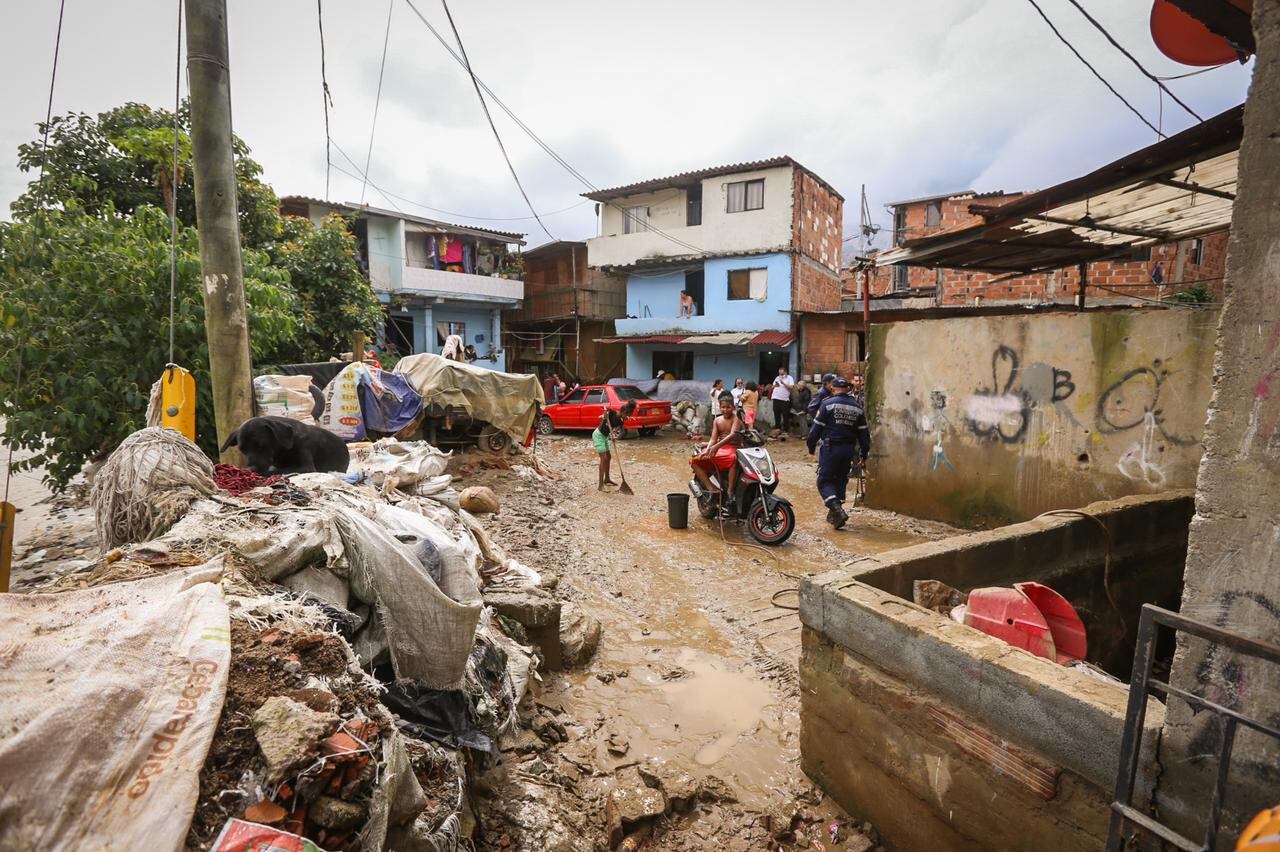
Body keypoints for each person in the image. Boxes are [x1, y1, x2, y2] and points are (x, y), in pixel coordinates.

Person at [807, 377, 871, 529]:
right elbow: (864, 434)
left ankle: (836, 508)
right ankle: (835, 514)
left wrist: (811, 445)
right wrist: (864, 454)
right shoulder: (857, 407)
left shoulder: (828, 404)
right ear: (848, 389)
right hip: (848, 450)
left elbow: (816, 428)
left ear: (833, 389)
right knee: (841, 479)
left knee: (824, 480)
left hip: (831, 449)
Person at [692, 392, 744, 507]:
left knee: (734, 458)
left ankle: (730, 490)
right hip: (720, 448)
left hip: (732, 448)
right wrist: (707, 449)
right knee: (695, 462)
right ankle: (712, 488)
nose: (725, 410)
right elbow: (713, 439)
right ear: (719, 407)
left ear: (733, 407)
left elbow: (732, 435)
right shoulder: (717, 420)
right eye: (723, 407)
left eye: (728, 407)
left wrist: (716, 446)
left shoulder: (736, 419)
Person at [594, 400, 638, 491]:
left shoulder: (621, 421)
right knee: (604, 459)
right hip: (598, 435)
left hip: (605, 436)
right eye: (628, 415)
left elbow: (614, 430)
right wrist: (605, 413)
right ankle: (600, 485)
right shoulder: (612, 413)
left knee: (609, 457)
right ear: (624, 412)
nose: (628, 417)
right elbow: (604, 415)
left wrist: (613, 434)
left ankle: (607, 479)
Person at [769, 367, 795, 431]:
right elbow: (772, 386)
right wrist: (775, 386)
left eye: (782, 373)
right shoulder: (777, 378)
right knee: (776, 414)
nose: (780, 375)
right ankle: (778, 429)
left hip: (784, 399)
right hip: (776, 398)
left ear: (785, 372)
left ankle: (786, 429)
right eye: (780, 373)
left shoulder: (789, 378)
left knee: (785, 415)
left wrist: (783, 383)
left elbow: (791, 387)